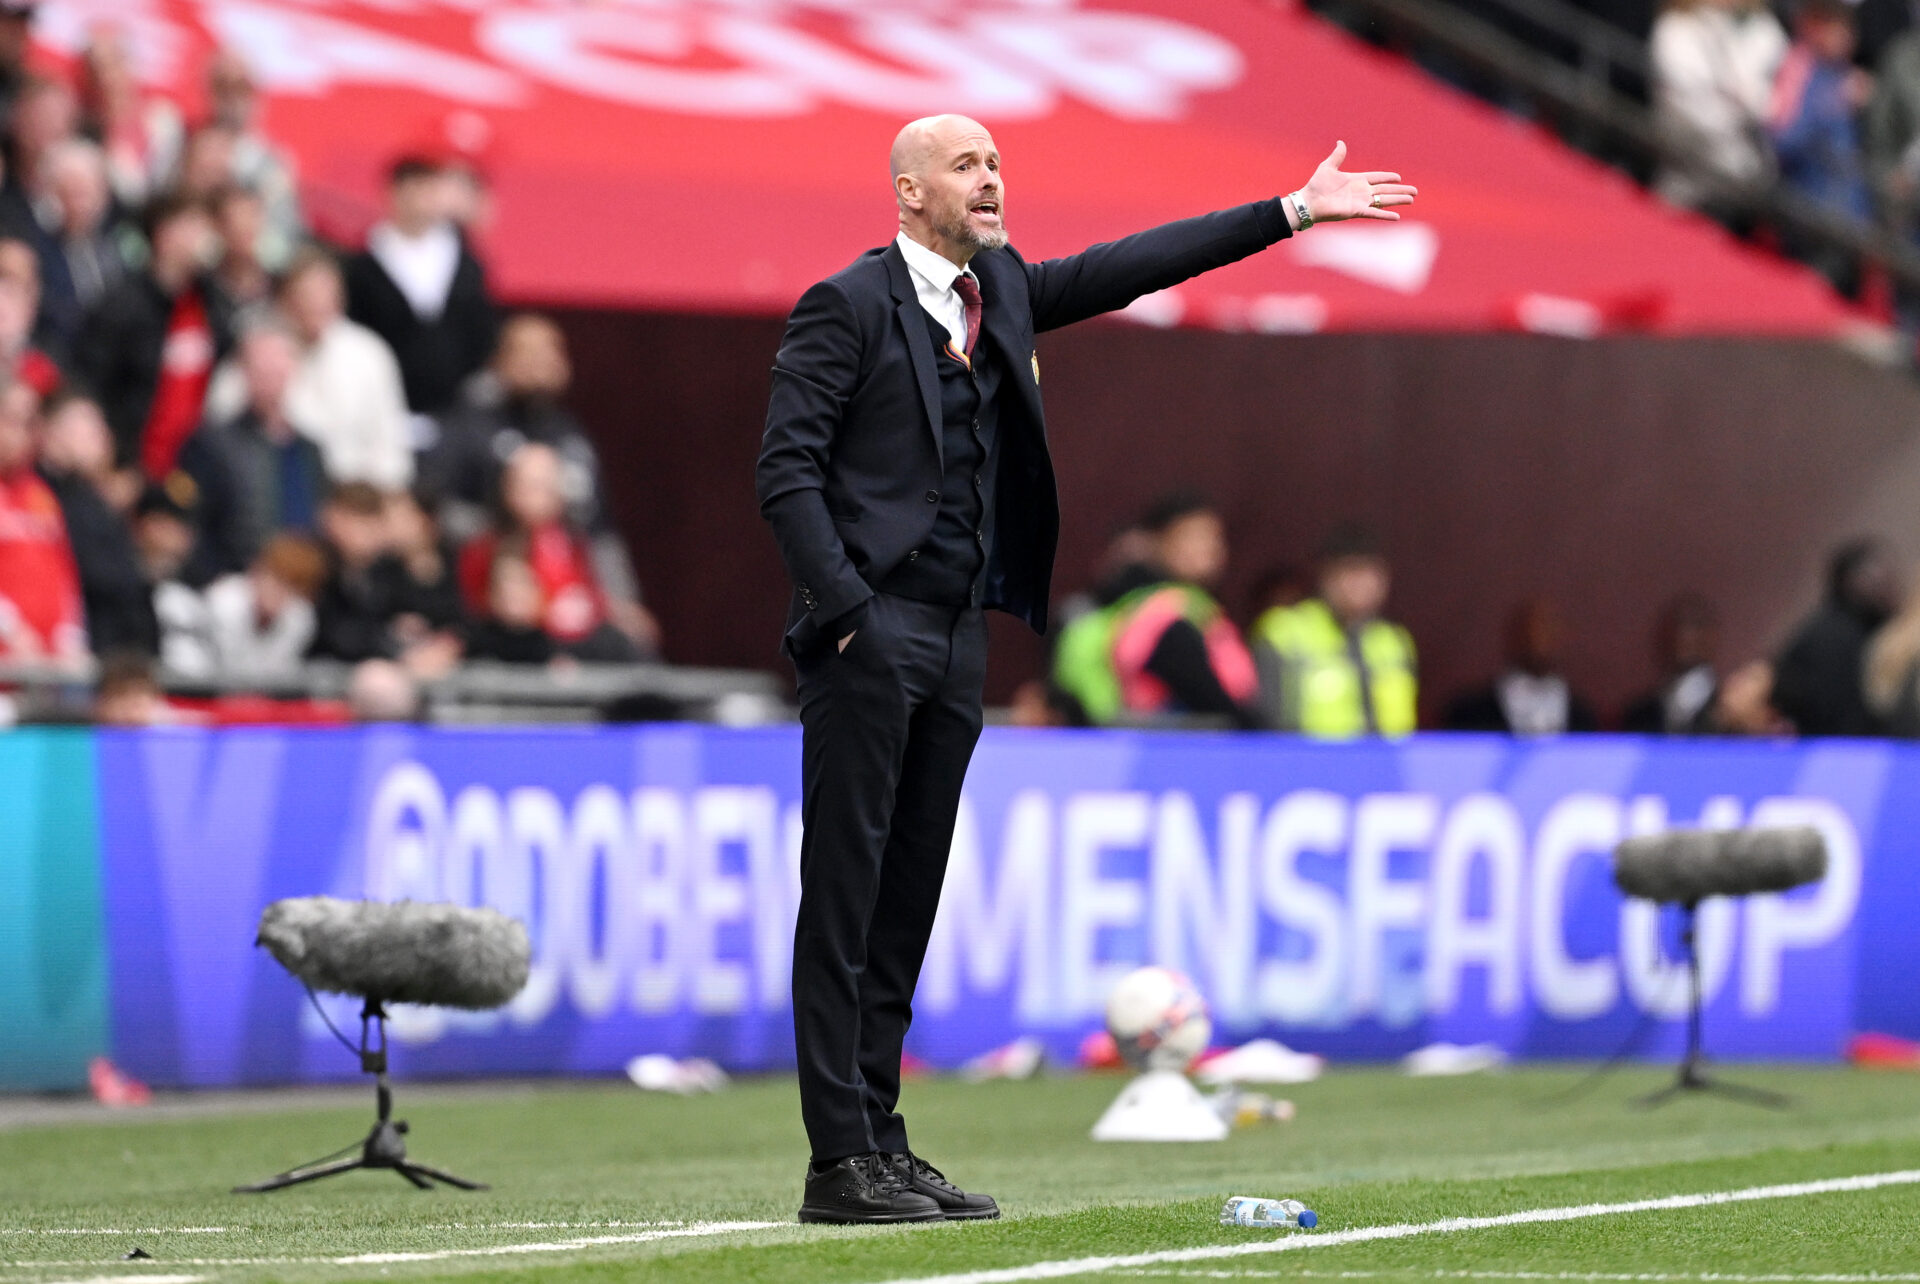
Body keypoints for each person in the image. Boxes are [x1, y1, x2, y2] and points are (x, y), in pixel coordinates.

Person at [754, 113, 1414, 1222]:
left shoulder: (997, 289)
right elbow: (786, 475)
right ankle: (836, 1162)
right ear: (909, 192)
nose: (992, 179)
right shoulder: (846, 305)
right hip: (875, 634)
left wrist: (1289, 213)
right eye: (967, 165)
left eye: (997, 163)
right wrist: (852, 612)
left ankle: (882, 1137)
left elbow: (1130, 265)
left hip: (959, 635)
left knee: (907, 897)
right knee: (847, 896)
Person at [423, 314, 630, 602]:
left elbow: (600, 531)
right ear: (498, 359)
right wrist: (511, 532)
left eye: (551, 351)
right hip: (483, 587)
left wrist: (623, 601)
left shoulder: (571, 434)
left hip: (568, 590)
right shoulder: (465, 427)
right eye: (527, 352)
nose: (540, 364)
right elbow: (436, 514)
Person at [206, 247, 414, 490]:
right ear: (284, 299)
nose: (318, 304)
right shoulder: (256, 349)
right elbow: (222, 419)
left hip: (358, 493)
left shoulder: (368, 353)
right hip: (279, 488)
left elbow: (390, 438)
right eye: (307, 296)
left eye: (327, 295)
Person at [1049, 493, 1258, 727]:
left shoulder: (1190, 606)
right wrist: (1260, 730)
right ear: (1157, 542)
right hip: (1167, 749)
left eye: (1216, 537)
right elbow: (1211, 701)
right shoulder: (1163, 615)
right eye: (1194, 536)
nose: (1211, 549)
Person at [78, 192, 234, 476]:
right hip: (131, 461)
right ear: (163, 234)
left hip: (187, 467)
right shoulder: (123, 304)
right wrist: (116, 461)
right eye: (193, 225)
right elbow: (95, 382)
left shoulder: (210, 304)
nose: (204, 237)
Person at [458, 442, 657, 661]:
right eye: (529, 485)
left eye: (547, 485)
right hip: (523, 651)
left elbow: (596, 603)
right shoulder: (484, 550)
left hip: (582, 650)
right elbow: (477, 615)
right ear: (508, 489)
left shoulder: (576, 544)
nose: (538, 496)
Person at [344, 155, 498, 417]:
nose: (420, 199)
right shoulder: (364, 264)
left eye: (428, 188)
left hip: (456, 407)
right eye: (412, 188)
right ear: (392, 193)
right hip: (386, 404)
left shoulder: (465, 260)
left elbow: (480, 326)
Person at [177, 316, 327, 577]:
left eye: (278, 367)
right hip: (234, 581)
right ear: (244, 372)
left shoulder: (310, 450)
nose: (271, 378)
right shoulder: (211, 444)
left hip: (303, 583)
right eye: (261, 368)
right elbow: (196, 529)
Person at [1251, 523, 1417, 738]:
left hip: (1385, 766)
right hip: (1306, 764)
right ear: (1326, 577)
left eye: (1369, 572)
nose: (1360, 585)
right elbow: (1264, 714)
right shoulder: (1283, 630)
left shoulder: (1394, 641)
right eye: (1350, 572)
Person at [37, 390, 154, 655]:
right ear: (51, 432)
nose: (103, 437)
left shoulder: (95, 500)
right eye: (89, 428)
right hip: (83, 647)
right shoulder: (42, 497)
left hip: (123, 647)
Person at [1769, 0, 1875, 291]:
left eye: (1846, 26)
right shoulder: (1797, 68)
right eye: (1832, 24)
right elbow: (1783, 140)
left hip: (1850, 224)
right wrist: (1831, 103)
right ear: (1811, 26)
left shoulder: (1845, 73)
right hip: (1811, 221)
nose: (1843, 34)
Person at [1650, 0, 1788, 218]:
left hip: (1737, 188)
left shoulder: (1747, 28)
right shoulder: (1675, 29)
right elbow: (1689, 105)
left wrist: (1745, 103)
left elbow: (1768, 102)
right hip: (1685, 180)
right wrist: (1743, 112)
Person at [1773, 537, 1900, 735]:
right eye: (1877, 579)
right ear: (1851, 581)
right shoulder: (1833, 637)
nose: (1888, 589)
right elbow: (1843, 717)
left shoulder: (1868, 632)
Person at [0, 376, 85, 665]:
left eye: (31, 423)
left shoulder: (41, 496)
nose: (25, 434)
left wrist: (70, 637)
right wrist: (8, 629)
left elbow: (64, 576)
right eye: (13, 420)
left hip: (47, 671)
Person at [169, 531, 325, 680]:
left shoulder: (300, 616)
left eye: (292, 587)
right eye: (276, 579)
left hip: (261, 700)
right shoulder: (224, 600)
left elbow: (278, 675)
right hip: (203, 694)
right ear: (256, 571)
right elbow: (227, 670)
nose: (279, 592)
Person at [1445, 598, 1600, 735]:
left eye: (1546, 628)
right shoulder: (1469, 712)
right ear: (1511, 638)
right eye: (1528, 630)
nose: (1536, 638)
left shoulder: (1584, 716)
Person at [1622, 593, 1721, 734]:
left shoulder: (1732, 713)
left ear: (1713, 636)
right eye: (1677, 626)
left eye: (1696, 625)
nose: (1685, 636)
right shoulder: (1639, 713)